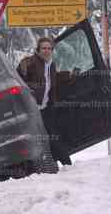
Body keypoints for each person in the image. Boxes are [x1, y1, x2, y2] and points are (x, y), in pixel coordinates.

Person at [16, 37, 73, 166]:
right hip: (32, 109)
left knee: (51, 135)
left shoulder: (51, 64)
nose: (46, 51)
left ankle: (58, 163)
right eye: (43, 48)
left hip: (46, 107)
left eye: (49, 48)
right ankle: (64, 163)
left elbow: (52, 79)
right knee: (40, 138)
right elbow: (18, 79)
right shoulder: (30, 62)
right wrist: (32, 87)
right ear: (38, 50)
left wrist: (68, 75)